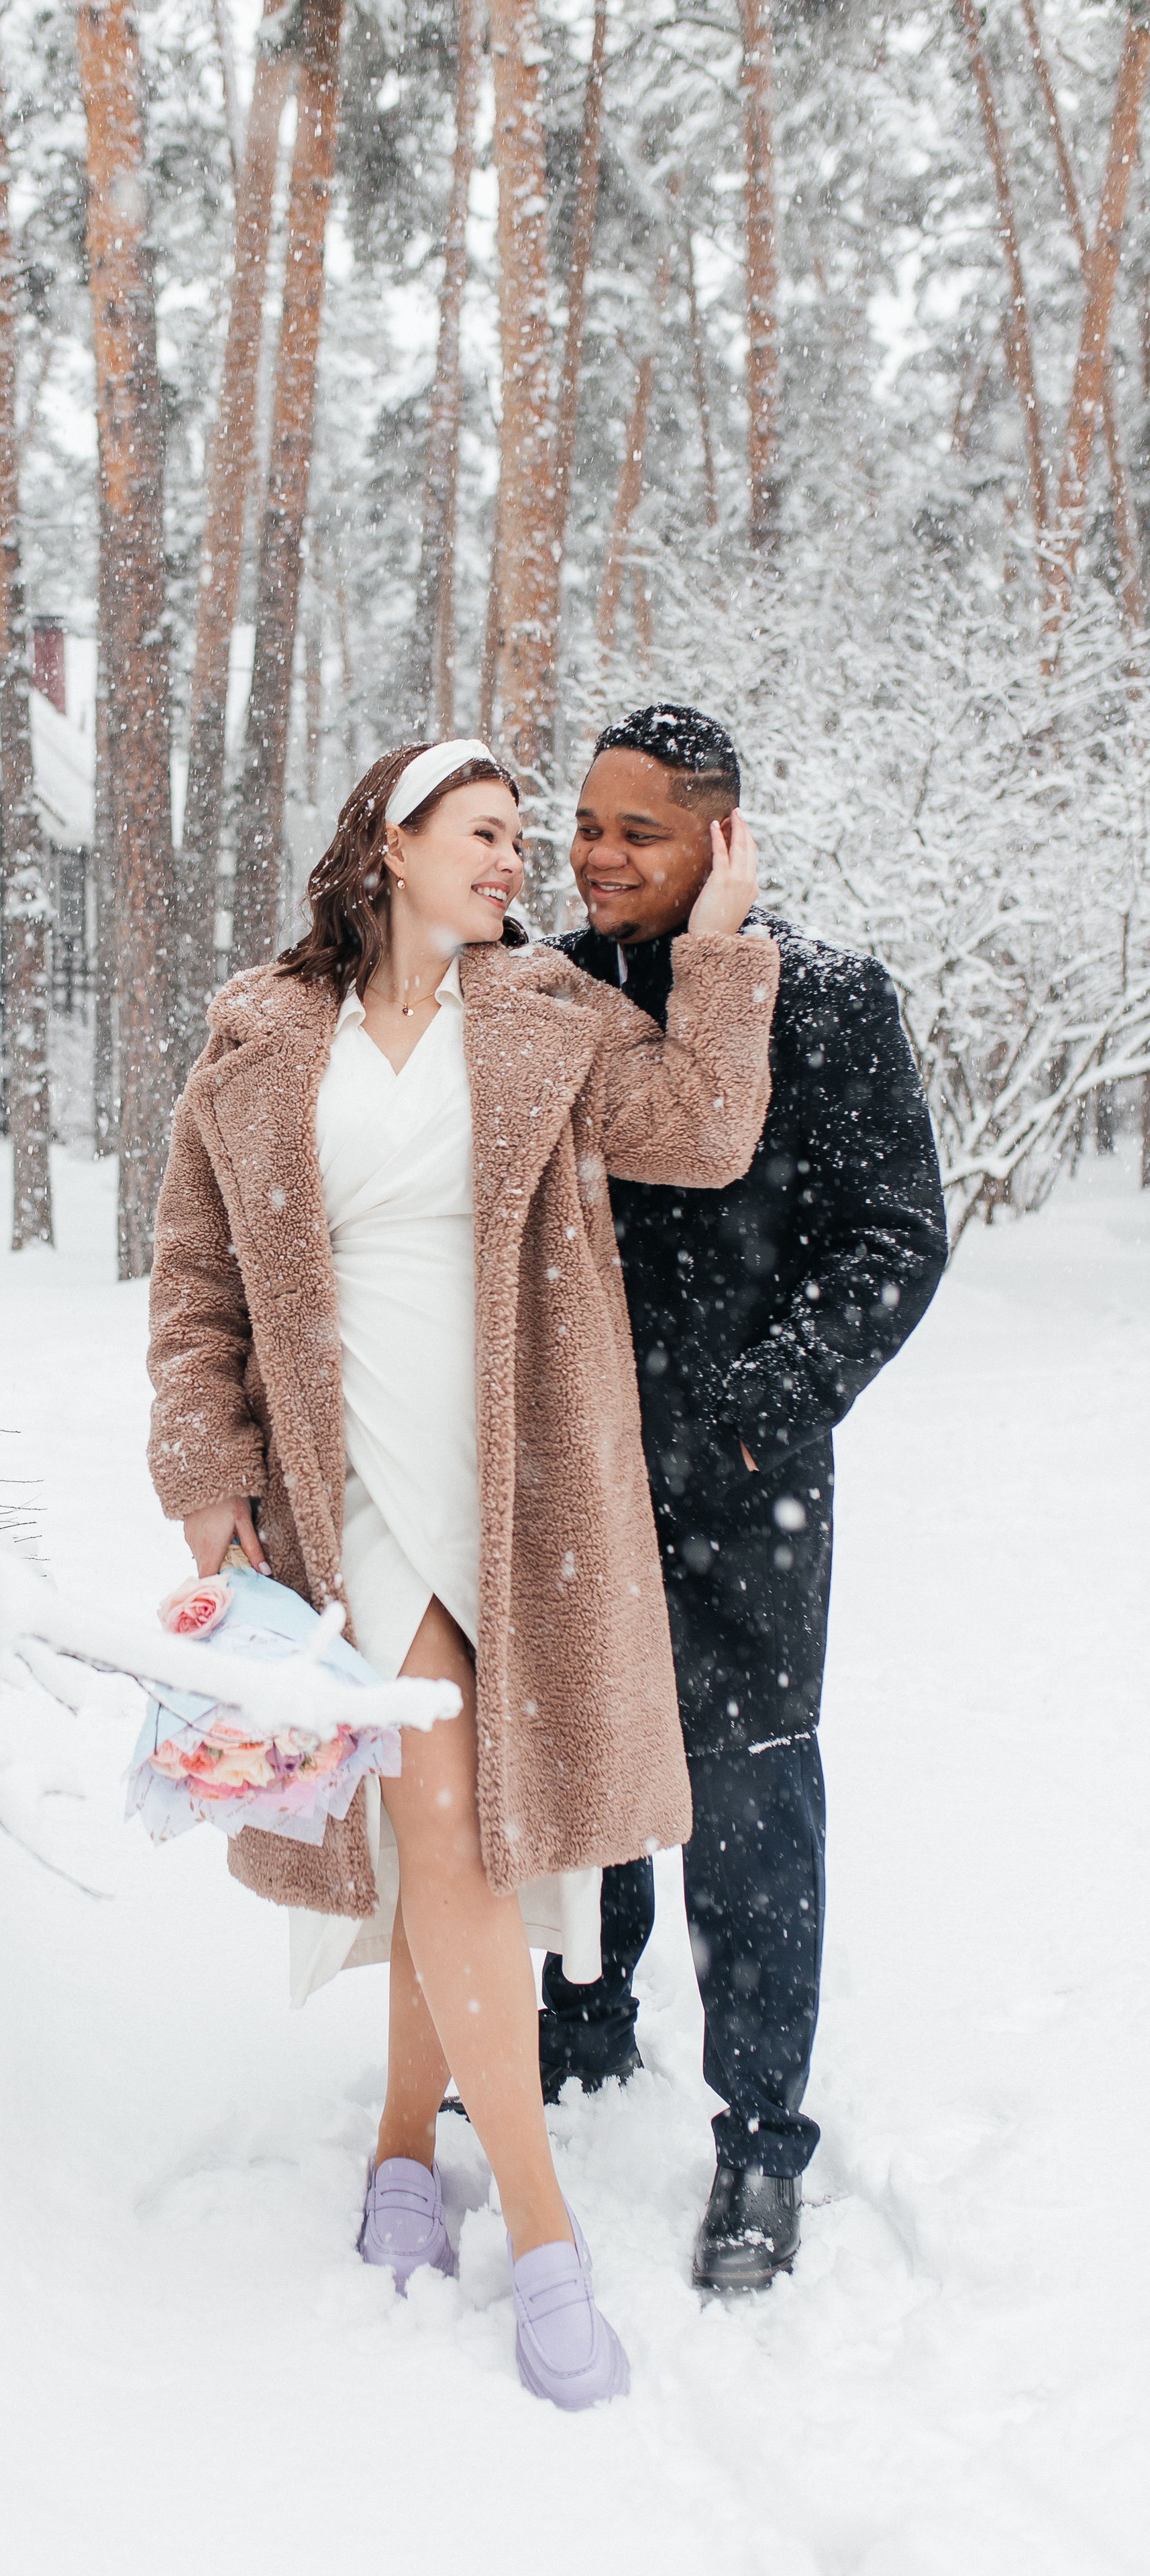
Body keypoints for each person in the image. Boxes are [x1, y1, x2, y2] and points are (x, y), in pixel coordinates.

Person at [147, 737, 779, 2408]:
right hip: (345, 1479)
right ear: (393, 844)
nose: (519, 864)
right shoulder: (259, 1037)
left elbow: (707, 1131)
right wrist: (207, 1479)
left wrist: (718, 939)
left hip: (517, 1471)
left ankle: (398, 2163)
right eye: (487, 835)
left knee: (450, 1833)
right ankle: (549, 2244)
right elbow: (195, 1281)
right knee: (438, 1819)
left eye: (520, 840)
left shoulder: (547, 1017)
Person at [540, 704, 947, 2294]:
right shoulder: (543, 994)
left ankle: (759, 2141)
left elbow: (890, 1234)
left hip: (742, 1479)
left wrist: (763, 1411)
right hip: (564, 1464)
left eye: (632, 831)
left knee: (748, 1796)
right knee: (585, 1754)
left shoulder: (830, 1000)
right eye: (582, 823)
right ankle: (580, 2031)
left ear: (719, 836)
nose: (592, 855)